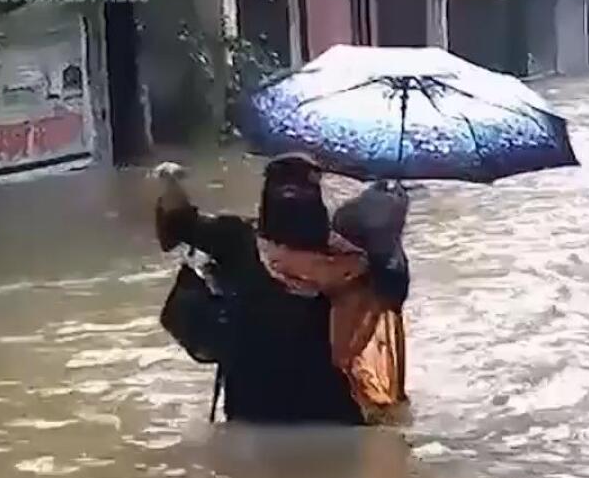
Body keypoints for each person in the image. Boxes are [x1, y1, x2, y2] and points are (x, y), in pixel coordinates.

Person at [154, 156, 408, 425]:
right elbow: (393, 290)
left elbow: (177, 224)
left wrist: (169, 181)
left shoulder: (236, 238)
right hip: (333, 415)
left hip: (253, 413)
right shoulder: (352, 258)